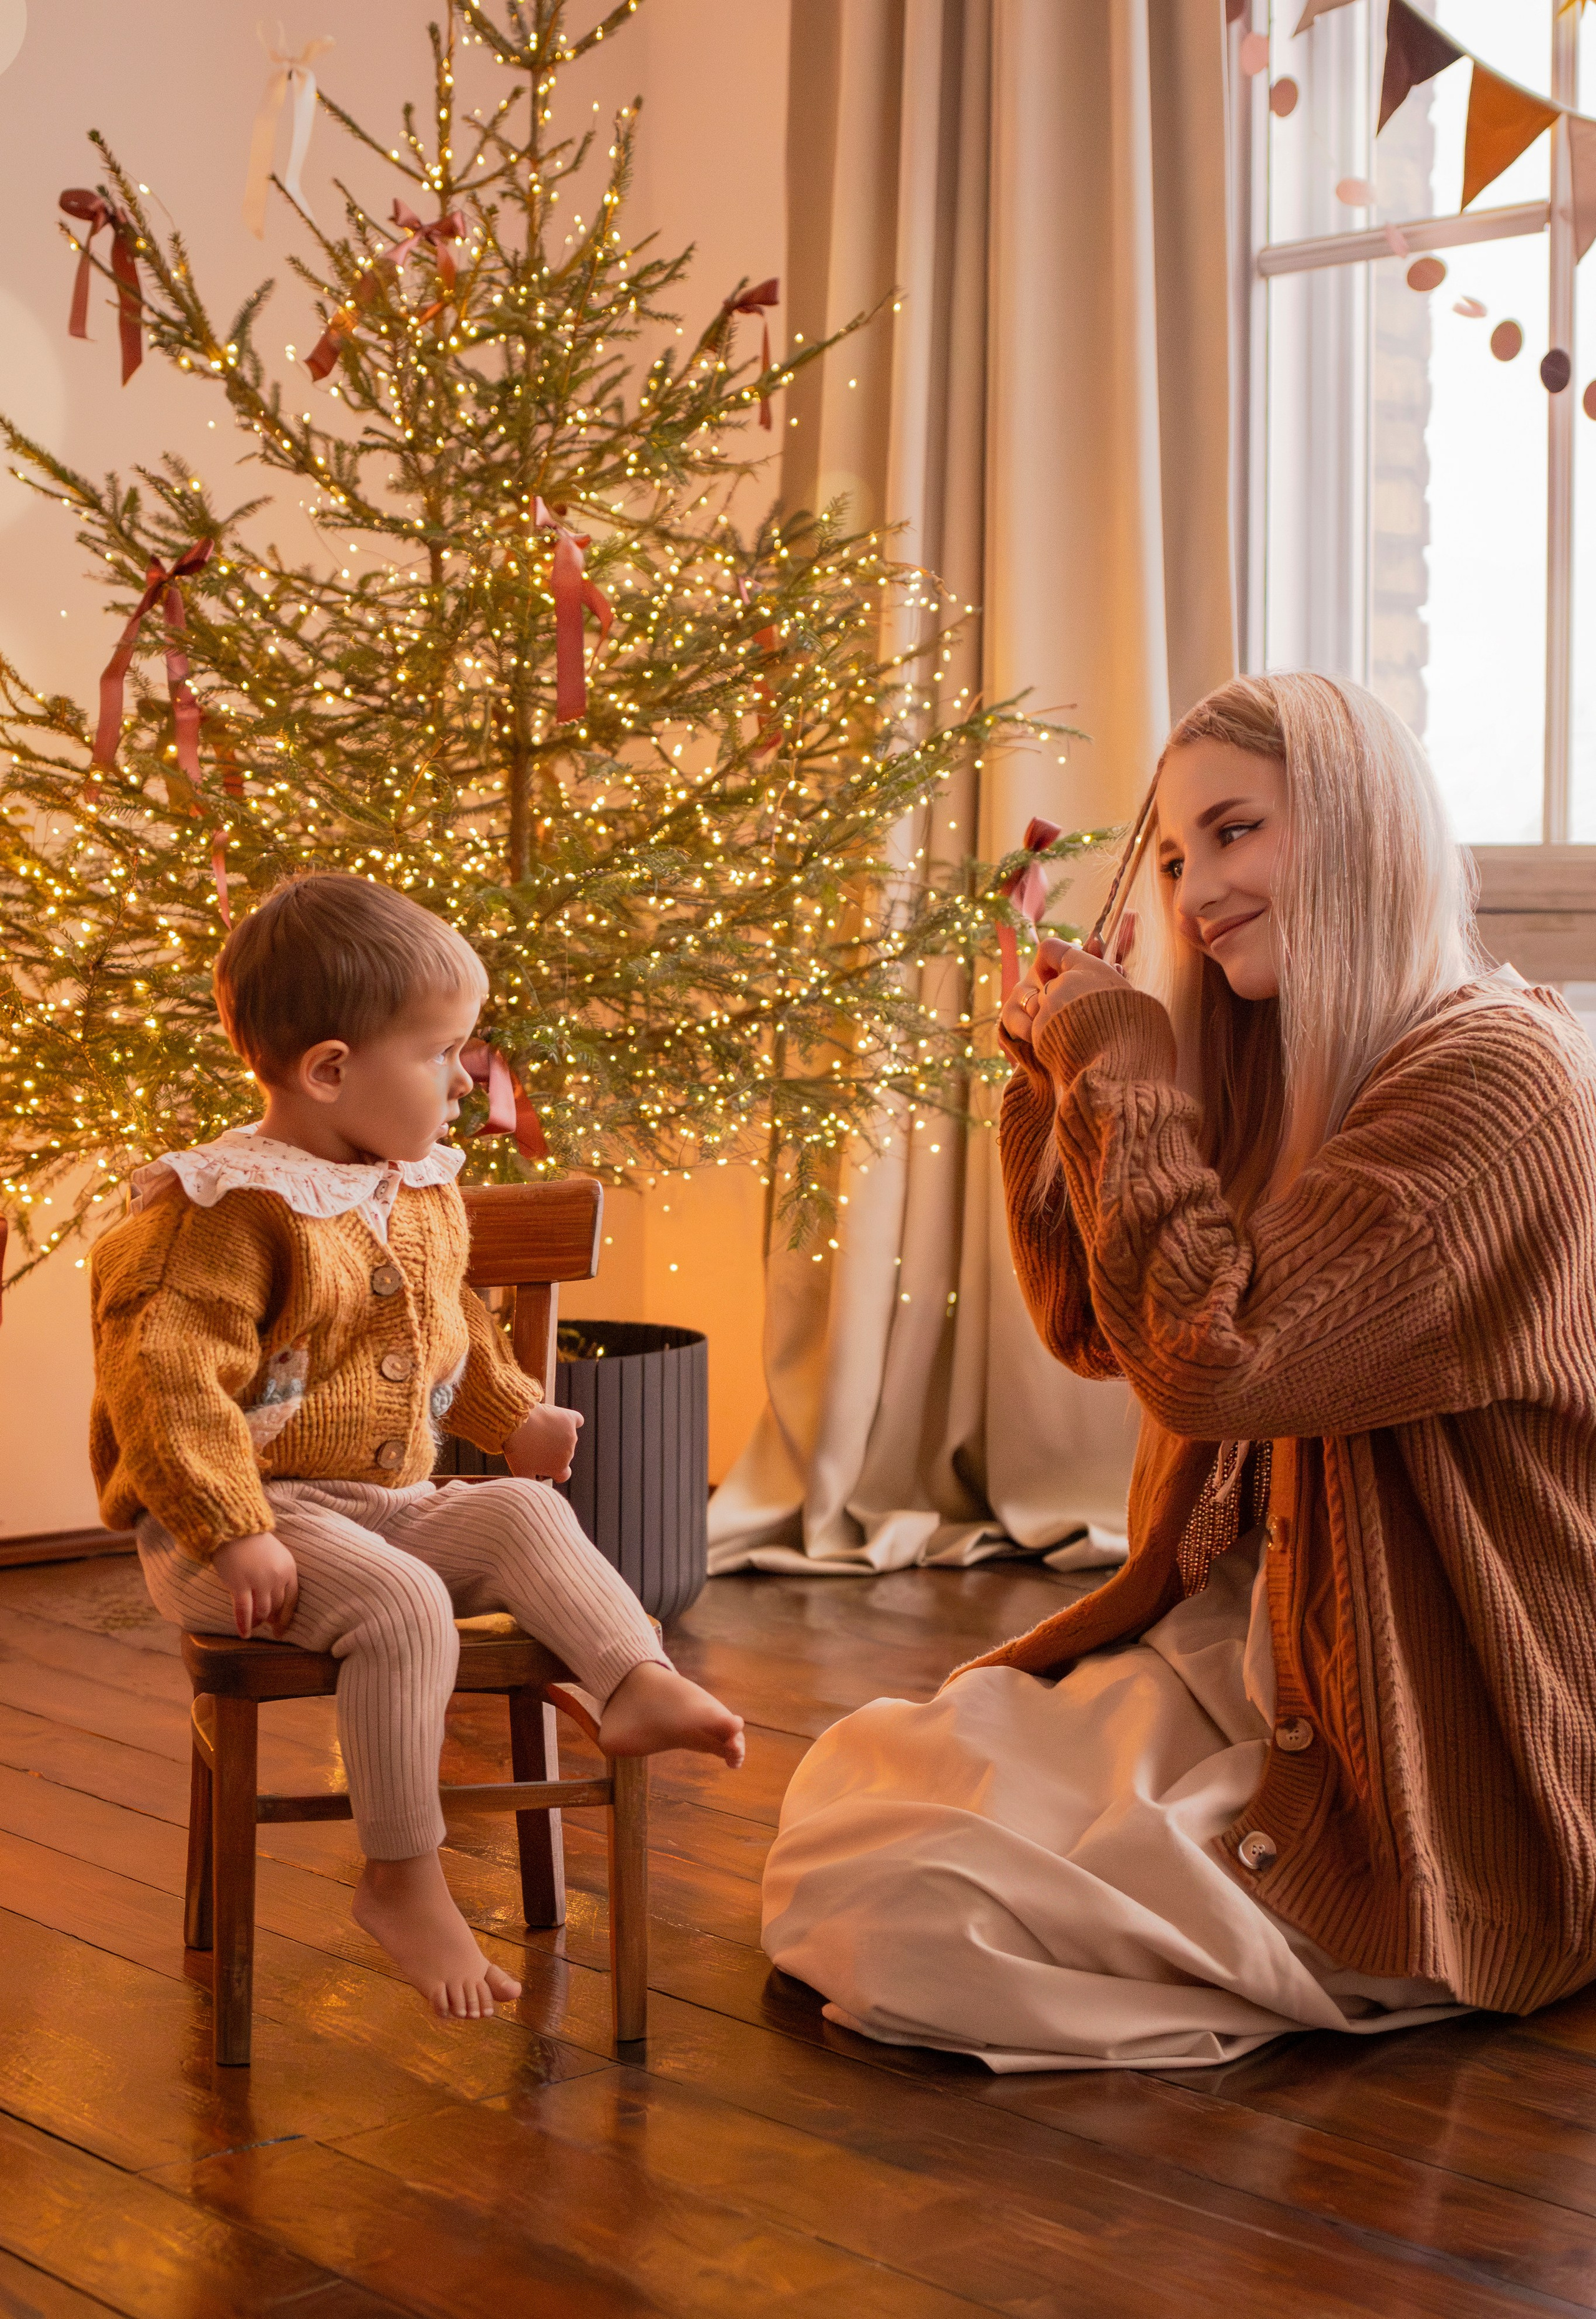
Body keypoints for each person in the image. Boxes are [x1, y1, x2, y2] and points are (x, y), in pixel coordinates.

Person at [761, 670, 1596, 2071]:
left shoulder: (1497, 1081)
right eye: (1166, 856)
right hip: (1263, 1644)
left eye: (1233, 831)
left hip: (1427, 1720)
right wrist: (1054, 1089)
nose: (1193, 892)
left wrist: (1119, 1066)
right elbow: (1098, 1330)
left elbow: (1215, 1365)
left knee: (914, 1916)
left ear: (1357, 829)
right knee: (869, 1791)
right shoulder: (1286, 1058)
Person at [91, 871, 744, 2022]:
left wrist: (510, 1414)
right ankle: (402, 1875)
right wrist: (232, 1529)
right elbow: (165, 1386)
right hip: (233, 1534)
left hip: (378, 1503)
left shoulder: (413, 1185)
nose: (467, 1079)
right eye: (440, 1053)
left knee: (526, 1511)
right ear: (330, 1071)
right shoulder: (221, 1212)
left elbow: (451, 1324)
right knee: (401, 1606)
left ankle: (633, 1679)